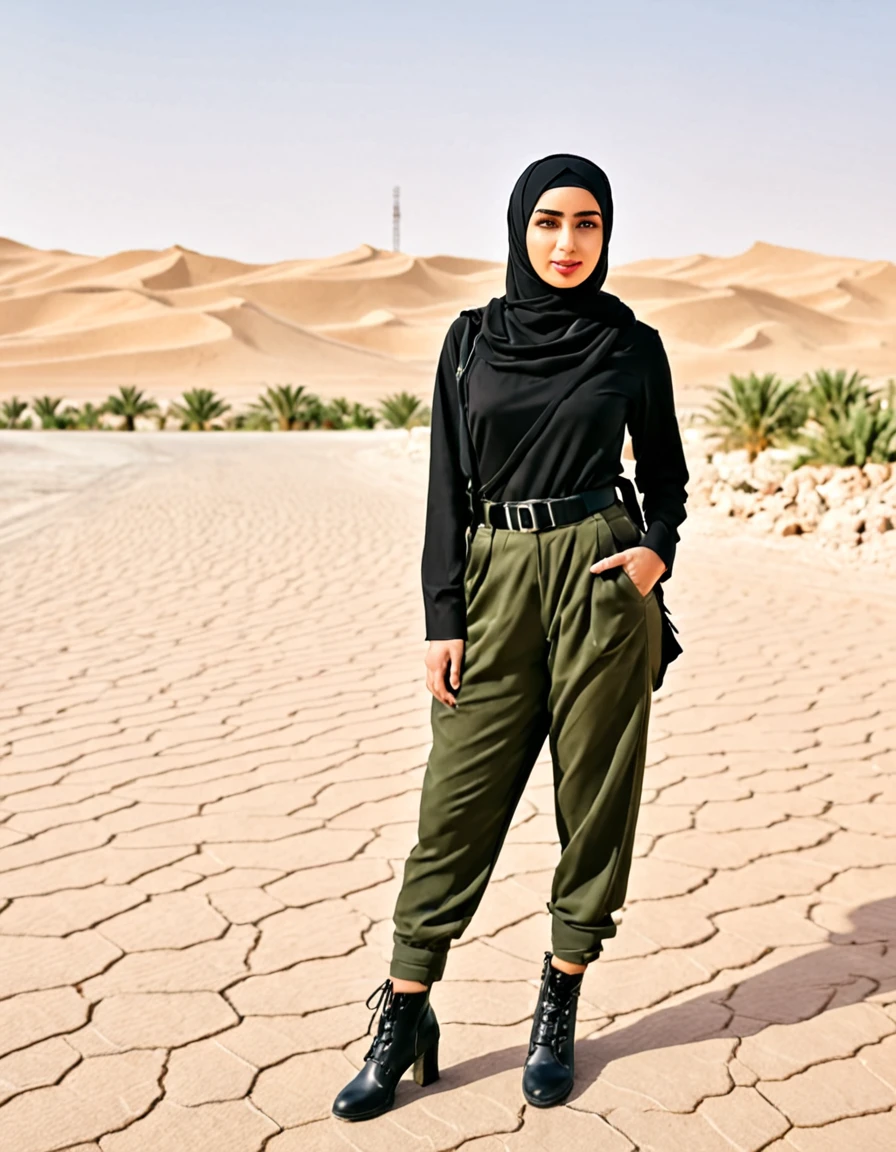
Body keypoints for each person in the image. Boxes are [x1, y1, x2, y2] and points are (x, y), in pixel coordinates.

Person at [331, 153, 689, 1122]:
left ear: (606, 236)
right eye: (546, 223)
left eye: (584, 225)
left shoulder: (629, 346)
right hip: (491, 581)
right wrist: (439, 617)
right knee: (453, 804)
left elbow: (665, 476)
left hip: (598, 584)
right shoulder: (466, 343)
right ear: (516, 230)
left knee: (595, 798)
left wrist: (653, 553)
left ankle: (558, 999)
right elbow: (446, 489)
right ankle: (404, 1010)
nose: (565, 244)